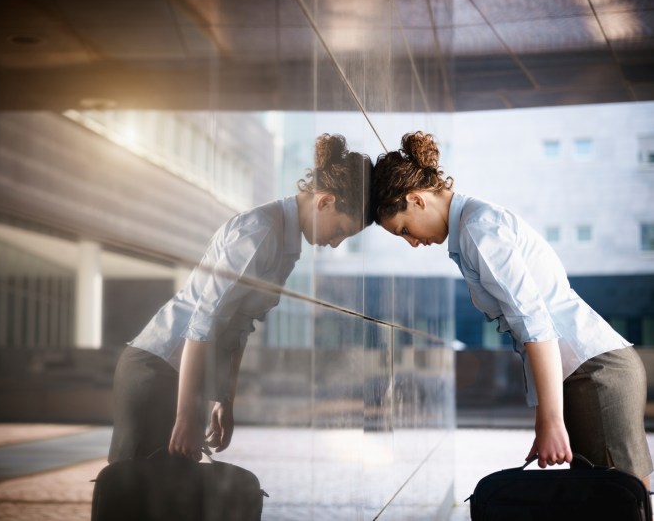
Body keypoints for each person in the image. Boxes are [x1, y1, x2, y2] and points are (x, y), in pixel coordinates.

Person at [370, 130, 652, 488]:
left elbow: (534, 324)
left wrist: (550, 420)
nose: (412, 242)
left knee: (620, 503)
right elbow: (529, 331)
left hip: (594, 373)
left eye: (405, 229)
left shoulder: (477, 229)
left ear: (416, 199)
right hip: (590, 372)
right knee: (615, 502)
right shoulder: (474, 226)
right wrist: (545, 417)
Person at [108, 133, 372, 463]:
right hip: (157, 371)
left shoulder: (286, 244)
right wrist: (186, 413)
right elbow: (204, 321)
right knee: (135, 497)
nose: (335, 243)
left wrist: (223, 400)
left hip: (183, 380)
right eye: (340, 231)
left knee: (169, 500)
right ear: (325, 202)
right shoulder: (261, 231)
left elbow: (239, 327)